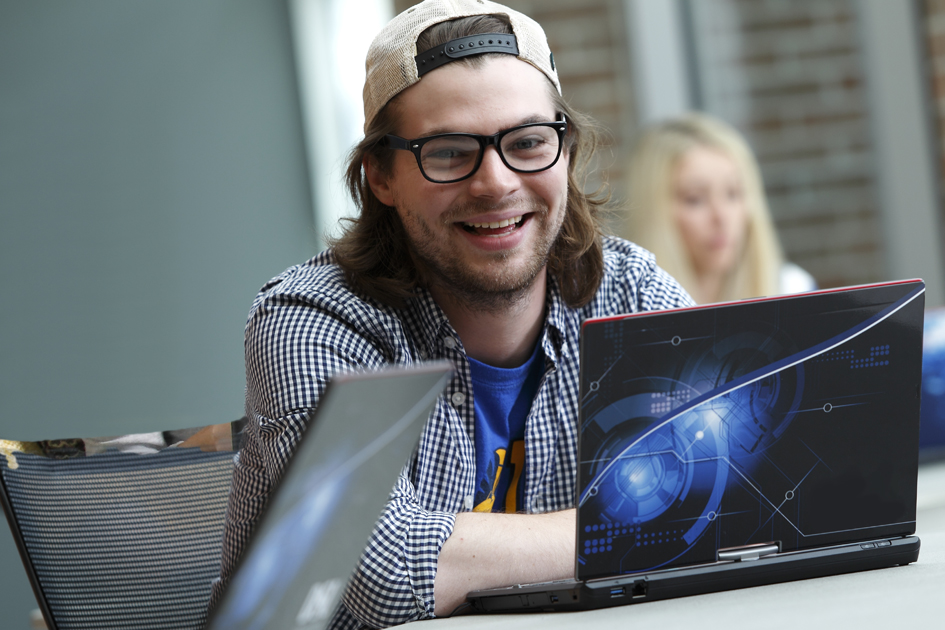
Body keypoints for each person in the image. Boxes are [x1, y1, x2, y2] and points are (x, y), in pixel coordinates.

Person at [209, 1, 692, 627]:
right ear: (380, 175)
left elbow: (735, 505)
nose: (495, 182)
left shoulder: (630, 294)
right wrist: (649, 526)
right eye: (447, 152)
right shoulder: (312, 319)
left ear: (565, 152)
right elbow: (387, 576)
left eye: (527, 142)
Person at [622, 112, 816, 304]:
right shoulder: (621, 305)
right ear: (654, 212)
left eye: (733, 193)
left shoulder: (793, 291)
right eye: (695, 199)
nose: (721, 216)